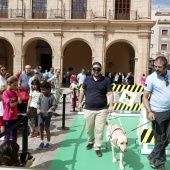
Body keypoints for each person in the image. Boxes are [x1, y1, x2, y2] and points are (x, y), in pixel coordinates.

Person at [78, 62, 114, 157]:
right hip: (89, 108)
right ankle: (90, 141)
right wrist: (79, 103)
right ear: (92, 69)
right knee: (89, 129)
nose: (96, 71)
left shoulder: (106, 80)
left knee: (100, 129)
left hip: (101, 109)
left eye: (98, 69)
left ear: (101, 70)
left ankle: (97, 147)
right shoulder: (87, 79)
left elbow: (110, 93)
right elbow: (82, 91)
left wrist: (111, 105)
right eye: (95, 69)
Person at [142, 56, 170, 170]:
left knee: (167, 138)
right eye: (155, 66)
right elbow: (145, 97)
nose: (156, 69)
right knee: (160, 138)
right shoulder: (151, 78)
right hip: (157, 112)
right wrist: (149, 111)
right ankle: (159, 163)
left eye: (159, 67)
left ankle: (153, 155)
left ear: (166, 66)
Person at [37, 82, 57, 149]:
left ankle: (48, 142)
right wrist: (38, 109)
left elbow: (54, 105)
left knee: (47, 128)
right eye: (41, 90)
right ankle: (41, 141)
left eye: (43, 90)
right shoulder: (41, 95)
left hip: (47, 115)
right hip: (41, 115)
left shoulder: (51, 96)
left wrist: (51, 109)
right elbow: (38, 103)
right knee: (41, 128)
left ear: (48, 89)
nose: (42, 91)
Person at [2, 76, 22, 142]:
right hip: (8, 117)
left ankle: (14, 148)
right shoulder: (5, 93)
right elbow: (11, 105)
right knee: (7, 134)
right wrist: (16, 102)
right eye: (14, 85)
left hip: (15, 116)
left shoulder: (14, 92)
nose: (16, 87)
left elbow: (20, 101)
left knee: (15, 134)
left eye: (16, 85)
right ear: (9, 84)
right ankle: (5, 149)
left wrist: (18, 93)